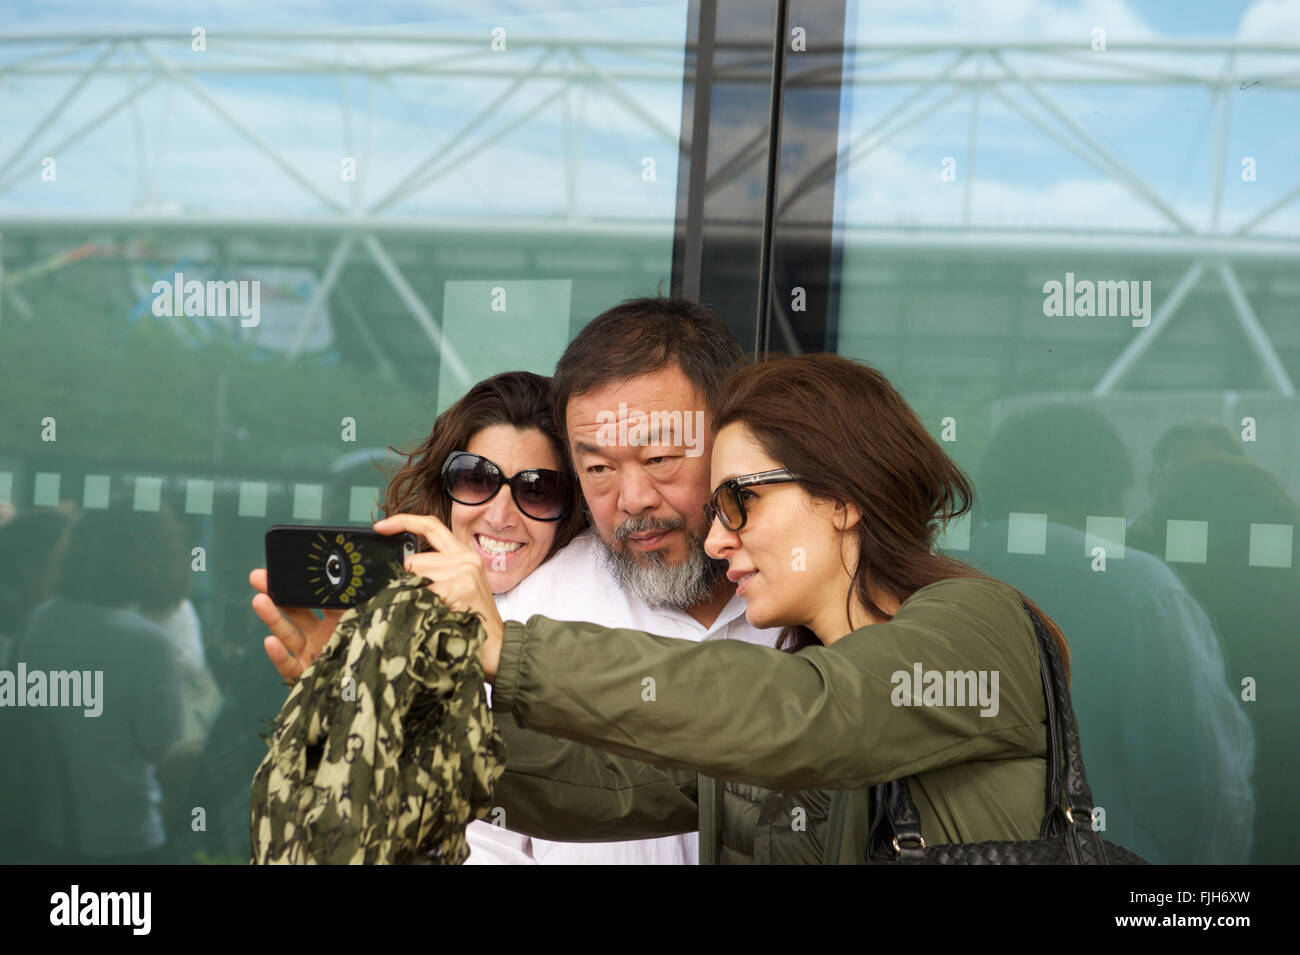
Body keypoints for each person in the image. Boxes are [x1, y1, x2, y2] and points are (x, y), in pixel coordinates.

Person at [384, 353, 1079, 863]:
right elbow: (605, 784)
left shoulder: (977, 626)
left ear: (841, 496)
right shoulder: (797, 681)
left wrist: (511, 648)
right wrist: (382, 712)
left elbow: (812, 715)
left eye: (739, 501)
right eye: (713, 507)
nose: (717, 537)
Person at [261, 298, 785, 864]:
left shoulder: (823, 608)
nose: (631, 501)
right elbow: (480, 845)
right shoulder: (514, 620)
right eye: (599, 469)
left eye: (659, 457)